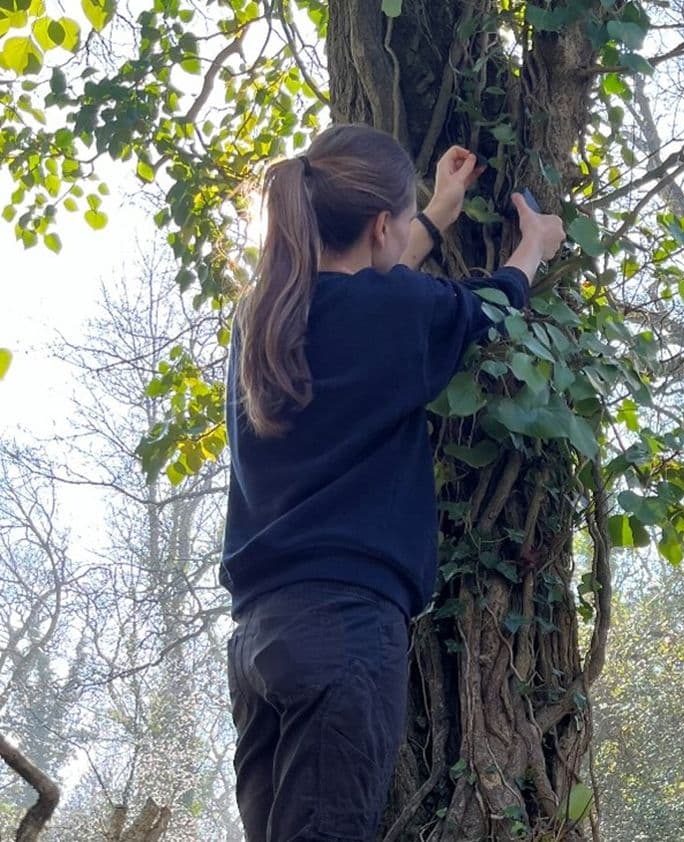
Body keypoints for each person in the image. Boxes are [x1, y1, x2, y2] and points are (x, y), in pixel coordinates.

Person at [221, 123, 565, 841]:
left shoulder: (264, 320)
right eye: (402, 221)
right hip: (342, 630)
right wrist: (533, 246)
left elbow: (380, 287)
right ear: (381, 226)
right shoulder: (396, 313)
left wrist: (437, 211)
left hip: (261, 639)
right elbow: (487, 305)